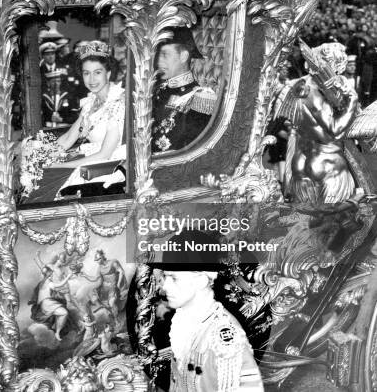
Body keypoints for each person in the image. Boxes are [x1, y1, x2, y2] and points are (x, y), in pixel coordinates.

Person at [151, 231, 263, 392]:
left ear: (202, 280)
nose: (165, 287)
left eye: (174, 278)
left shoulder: (222, 336)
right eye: (166, 277)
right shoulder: (183, 322)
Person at [277, 42, 359, 203]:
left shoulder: (298, 85)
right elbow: (335, 129)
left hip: (299, 165)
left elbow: (291, 126)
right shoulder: (317, 92)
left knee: (303, 224)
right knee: (333, 224)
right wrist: (352, 101)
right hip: (327, 166)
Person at [48, 41, 126, 192]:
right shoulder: (91, 102)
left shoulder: (118, 104)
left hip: (107, 169)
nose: (91, 80)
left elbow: (104, 154)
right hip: (89, 159)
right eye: (86, 73)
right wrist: (44, 156)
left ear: (108, 74)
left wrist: (58, 166)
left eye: (97, 72)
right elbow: (68, 138)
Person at [152, 27, 216, 153]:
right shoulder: (157, 90)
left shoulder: (199, 99)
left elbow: (193, 152)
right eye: (157, 54)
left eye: (165, 54)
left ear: (183, 56)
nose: (158, 61)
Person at [29, 265, 73, 341]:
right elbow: (60, 285)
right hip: (47, 303)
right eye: (51, 273)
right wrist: (68, 277)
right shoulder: (49, 282)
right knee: (64, 313)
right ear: (50, 274)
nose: (52, 275)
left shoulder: (42, 282)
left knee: (60, 313)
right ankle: (57, 332)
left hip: (46, 303)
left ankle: (55, 328)